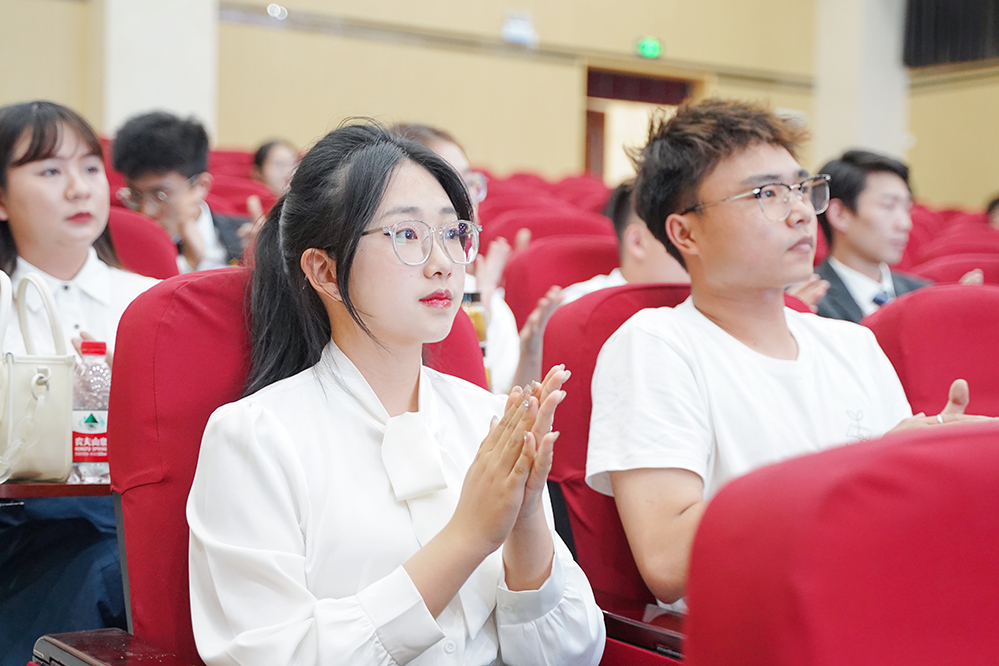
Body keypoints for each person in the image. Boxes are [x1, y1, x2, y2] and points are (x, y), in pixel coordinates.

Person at [186, 123, 604, 665]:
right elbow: (272, 654)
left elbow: (571, 654)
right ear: (324, 271)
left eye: (453, 233)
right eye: (407, 234)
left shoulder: (488, 420)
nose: (443, 261)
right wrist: (468, 538)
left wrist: (524, 520)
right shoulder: (256, 436)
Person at [585, 99, 986, 609]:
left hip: (877, 601)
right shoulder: (656, 346)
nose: (800, 212)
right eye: (766, 194)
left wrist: (944, 467)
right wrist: (868, 466)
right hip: (763, 625)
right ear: (685, 232)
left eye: (800, 188)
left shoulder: (852, 343)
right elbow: (667, 560)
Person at [0, 100, 158, 666]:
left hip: (128, 521)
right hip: (18, 528)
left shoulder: (152, 303)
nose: (79, 188)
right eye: (49, 170)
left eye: (90, 167)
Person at [392, 123, 561, 393]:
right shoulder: (387, 293)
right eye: (447, 180)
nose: (466, 196)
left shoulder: (484, 298)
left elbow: (498, 407)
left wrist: (529, 351)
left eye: (469, 182)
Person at [112, 111, 245, 273]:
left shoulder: (247, 237)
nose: (146, 211)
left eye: (160, 195)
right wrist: (186, 266)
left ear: (200, 186)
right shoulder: (115, 248)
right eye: (135, 195)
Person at [814, 150, 931, 322]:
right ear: (839, 214)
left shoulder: (925, 295)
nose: (905, 224)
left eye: (907, 208)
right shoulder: (810, 305)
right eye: (888, 206)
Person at [560, 182, 689, 305]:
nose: (695, 249)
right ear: (637, 242)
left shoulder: (695, 303)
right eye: (682, 235)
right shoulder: (580, 304)